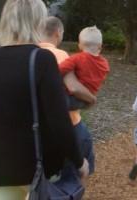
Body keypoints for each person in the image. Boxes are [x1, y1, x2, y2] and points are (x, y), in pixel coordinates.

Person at [0, 1, 88, 199]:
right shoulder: (41, 59)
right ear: (37, 21)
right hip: (36, 168)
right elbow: (58, 119)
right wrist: (79, 161)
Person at [39, 17, 97, 188]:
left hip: (40, 129)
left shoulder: (31, 53)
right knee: (76, 175)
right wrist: (92, 99)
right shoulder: (59, 55)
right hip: (68, 125)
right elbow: (74, 87)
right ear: (58, 33)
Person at [59, 26, 110, 111]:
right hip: (86, 100)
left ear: (80, 45)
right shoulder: (105, 63)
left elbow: (59, 69)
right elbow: (104, 78)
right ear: (100, 47)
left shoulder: (77, 58)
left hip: (72, 98)